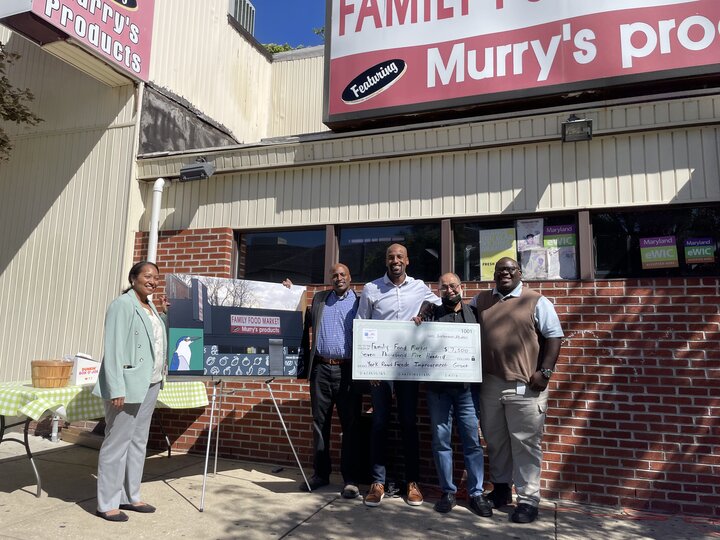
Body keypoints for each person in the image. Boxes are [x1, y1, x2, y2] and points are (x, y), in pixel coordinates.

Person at [471, 257, 563, 524]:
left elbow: (554, 336)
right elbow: (459, 315)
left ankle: (528, 499)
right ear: (494, 274)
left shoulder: (536, 300)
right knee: (495, 440)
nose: (505, 274)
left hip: (525, 385)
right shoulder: (482, 300)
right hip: (490, 383)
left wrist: (545, 372)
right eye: (500, 270)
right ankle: (501, 490)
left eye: (510, 270)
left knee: (525, 443)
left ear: (520, 273)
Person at [356, 243, 441, 508]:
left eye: (400, 257)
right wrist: (366, 368)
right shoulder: (371, 289)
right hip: (379, 368)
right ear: (386, 261)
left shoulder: (419, 287)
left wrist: (424, 312)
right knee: (380, 422)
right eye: (391, 257)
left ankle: (411, 483)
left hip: (409, 366)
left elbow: (439, 306)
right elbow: (360, 326)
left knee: (408, 422)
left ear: (407, 261)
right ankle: (377, 482)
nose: (395, 260)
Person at [93, 261, 168, 522]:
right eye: (147, 276)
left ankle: (130, 495)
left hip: (152, 382)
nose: (153, 280)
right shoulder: (122, 305)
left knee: (138, 441)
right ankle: (107, 503)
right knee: (117, 442)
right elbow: (113, 349)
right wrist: (116, 387)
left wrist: (165, 316)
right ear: (133, 278)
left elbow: (150, 341)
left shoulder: (151, 308)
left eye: (156, 277)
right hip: (127, 385)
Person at [414, 273, 494, 517]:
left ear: (462, 287)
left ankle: (476, 493)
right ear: (438, 290)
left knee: (472, 441)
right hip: (438, 391)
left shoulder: (474, 314)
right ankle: (447, 491)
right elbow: (414, 338)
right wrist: (420, 317)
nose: (449, 290)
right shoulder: (431, 314)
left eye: (453, 286)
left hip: (467, 390)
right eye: (444, 287)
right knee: (441, 441)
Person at [291, 264, 363, 499]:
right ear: (330, 279)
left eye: (343, 274)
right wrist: (290, 293)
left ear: (350, 278)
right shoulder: (320, 299)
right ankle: (320, 475)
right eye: (335, 275)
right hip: (321, 369)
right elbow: (301, 317)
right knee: (319, 423)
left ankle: (350, 479)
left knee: (350, 426)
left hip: (348, 371)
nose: (339, 278)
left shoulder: (360, 302)